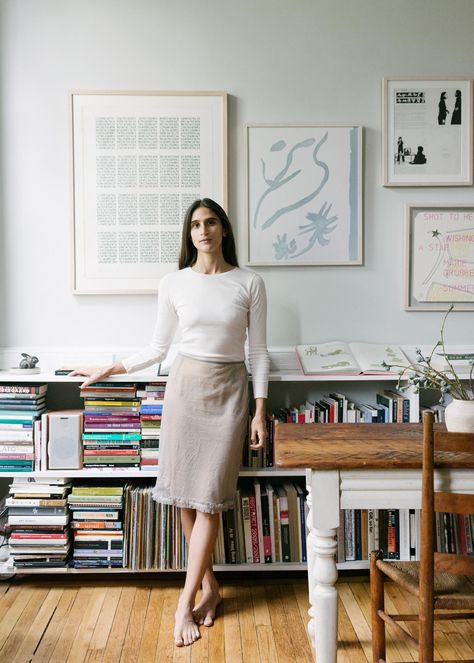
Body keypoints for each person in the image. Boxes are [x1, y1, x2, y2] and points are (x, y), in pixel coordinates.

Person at [70, 198, 270, 647]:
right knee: (184, 496)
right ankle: (210, 589)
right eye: (196, 225)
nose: (203, 231)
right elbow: (158, 348)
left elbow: (257, 352)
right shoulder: (173, 283)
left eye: (211, 222)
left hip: (229, 394)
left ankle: (184, 604)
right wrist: (112, 367)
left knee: (210, 501)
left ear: (223, 229)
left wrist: (259, 410)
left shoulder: (250, 282)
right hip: (184, 390)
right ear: (189, 234)